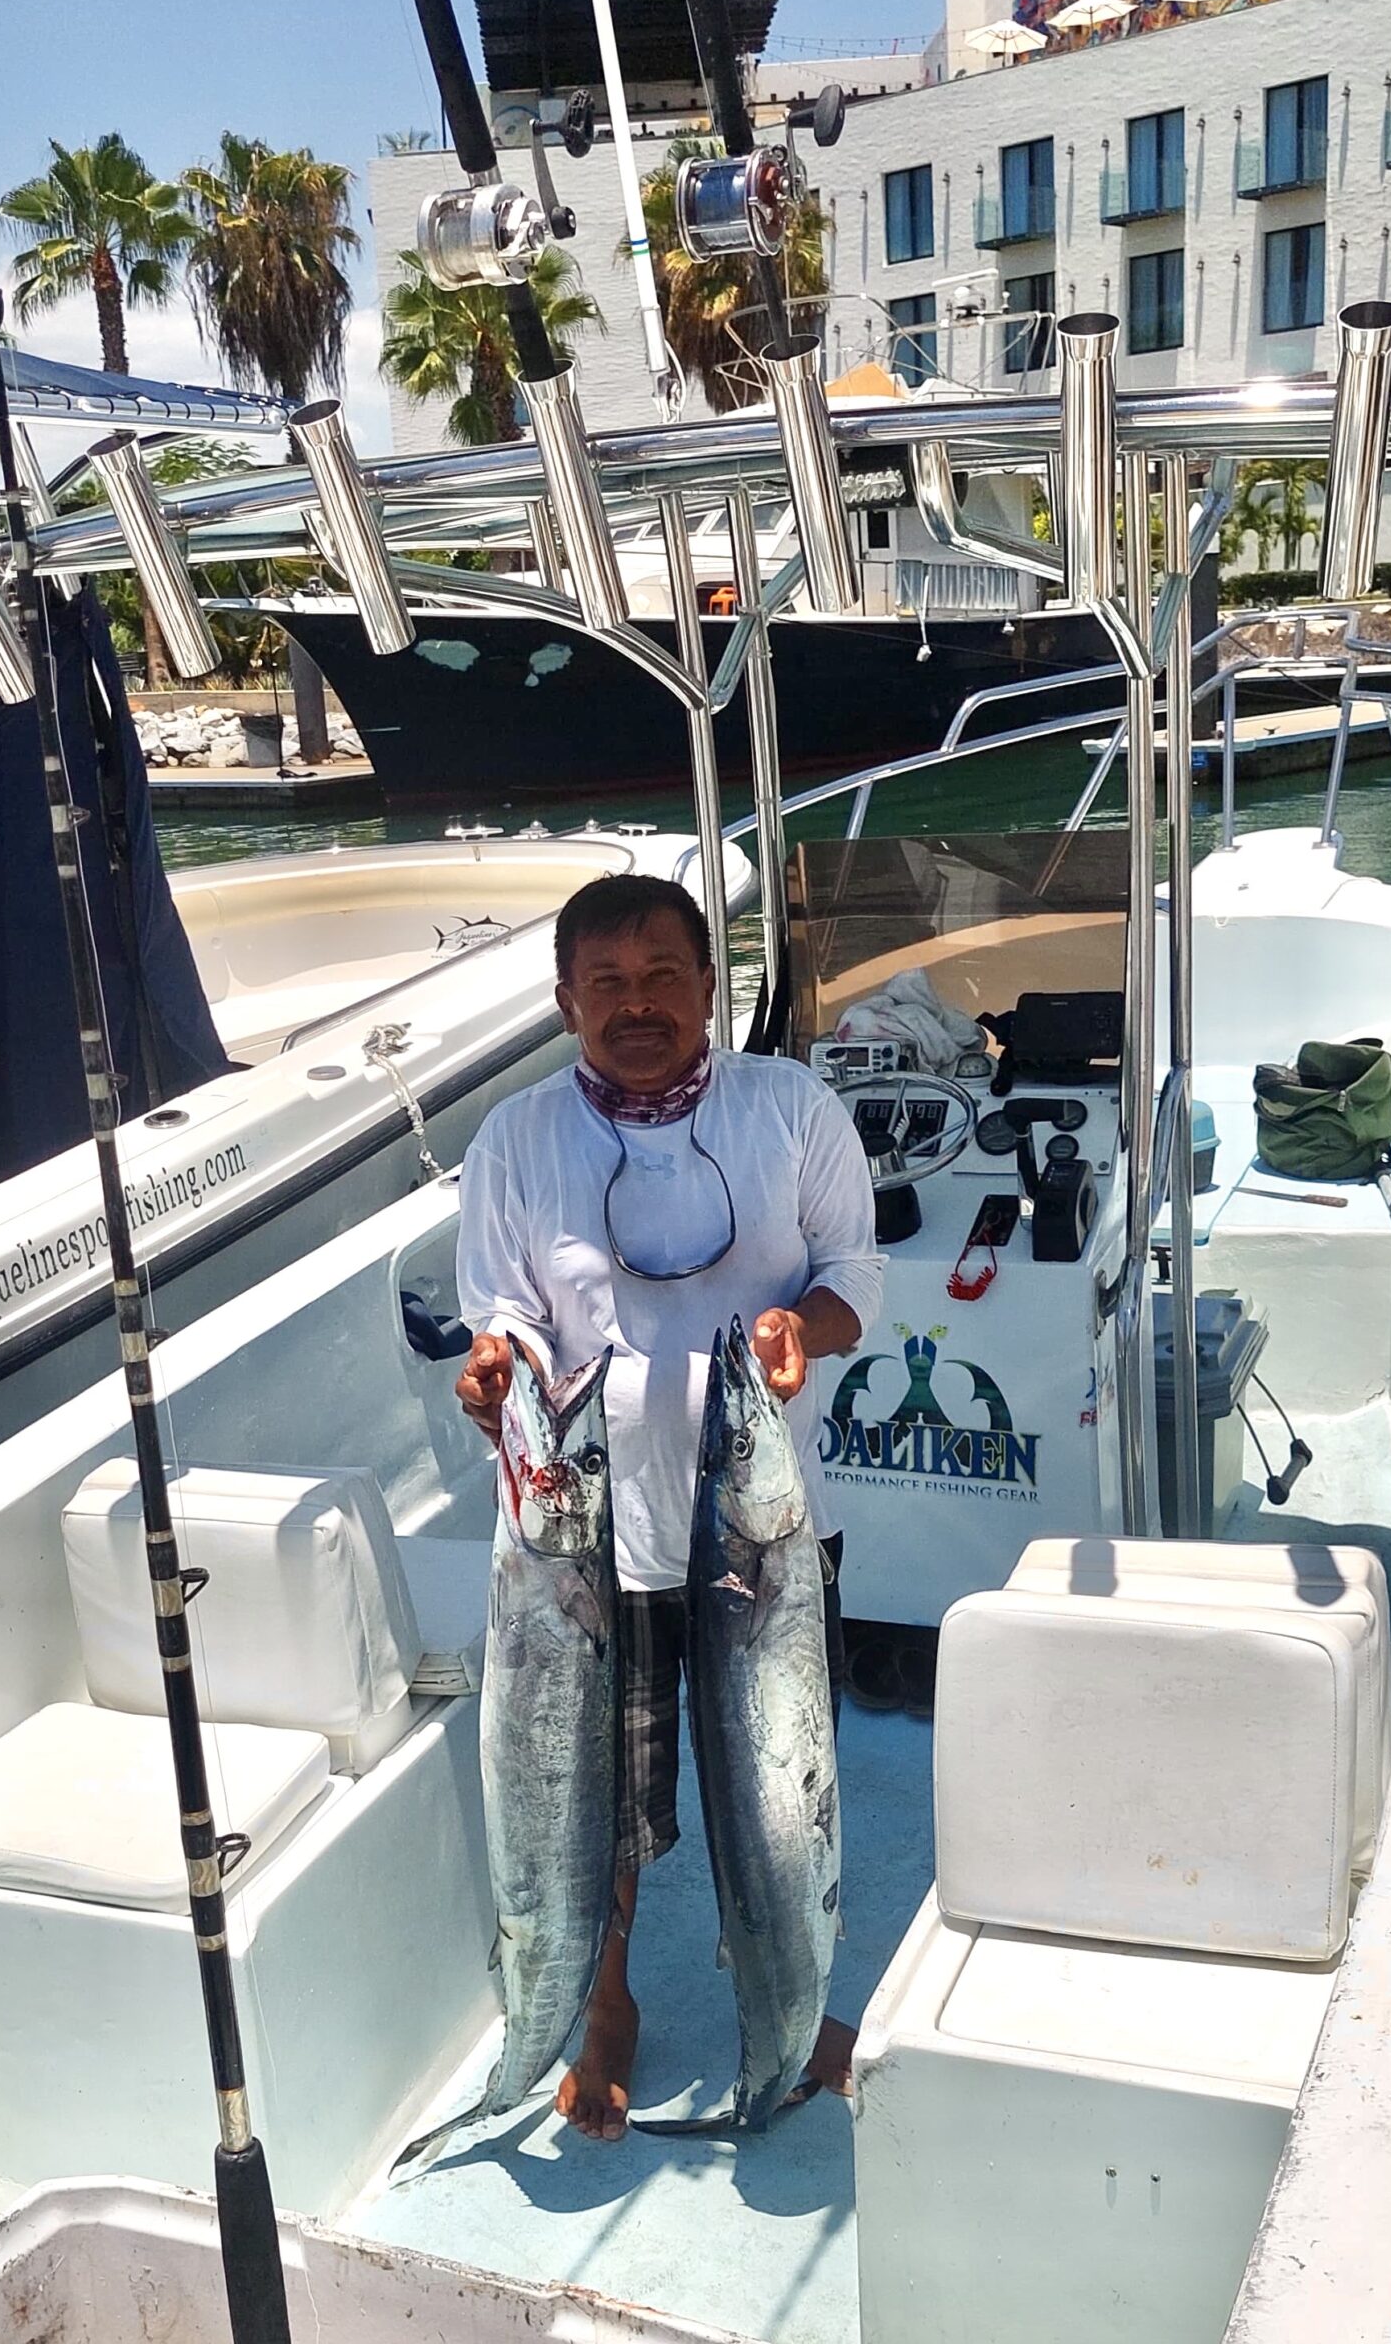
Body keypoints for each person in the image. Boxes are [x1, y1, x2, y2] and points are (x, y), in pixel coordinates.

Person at [455, 872, 884, 2141]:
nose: (635, 1005)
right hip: (596, 1542)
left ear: (710, 985)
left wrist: (800, 1331)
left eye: (661, 978)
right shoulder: (514, 1140)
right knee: (602, 1798)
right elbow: (507, 1316)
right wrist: (491, 1369)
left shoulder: (790, 1107)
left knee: (777, 1786)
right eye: (605, 984)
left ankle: (790, 2006)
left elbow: (852, 1273)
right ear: (564, 1001)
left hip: (762, 1540)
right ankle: (605, 2015)